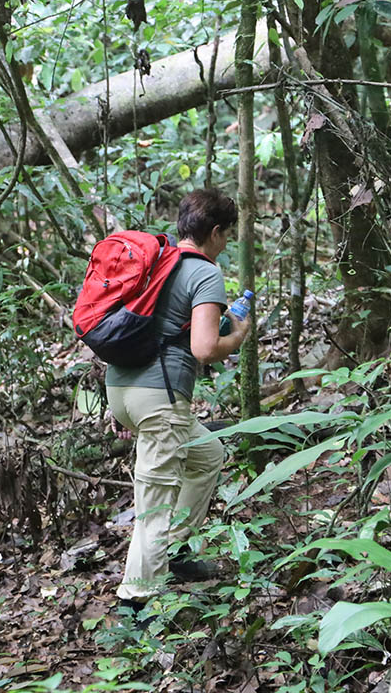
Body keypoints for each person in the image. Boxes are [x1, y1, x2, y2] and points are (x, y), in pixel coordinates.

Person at [106, 188, 252, 610]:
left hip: (122, 388)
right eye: (227, 236)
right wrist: (237, 335)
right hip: (159, 397)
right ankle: (134, 605)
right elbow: (205, 348)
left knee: (207, 454)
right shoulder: (204, 273)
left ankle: (174, 552)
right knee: (153, 504)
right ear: (217, 231)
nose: (226, 246)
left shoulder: (155, 263)